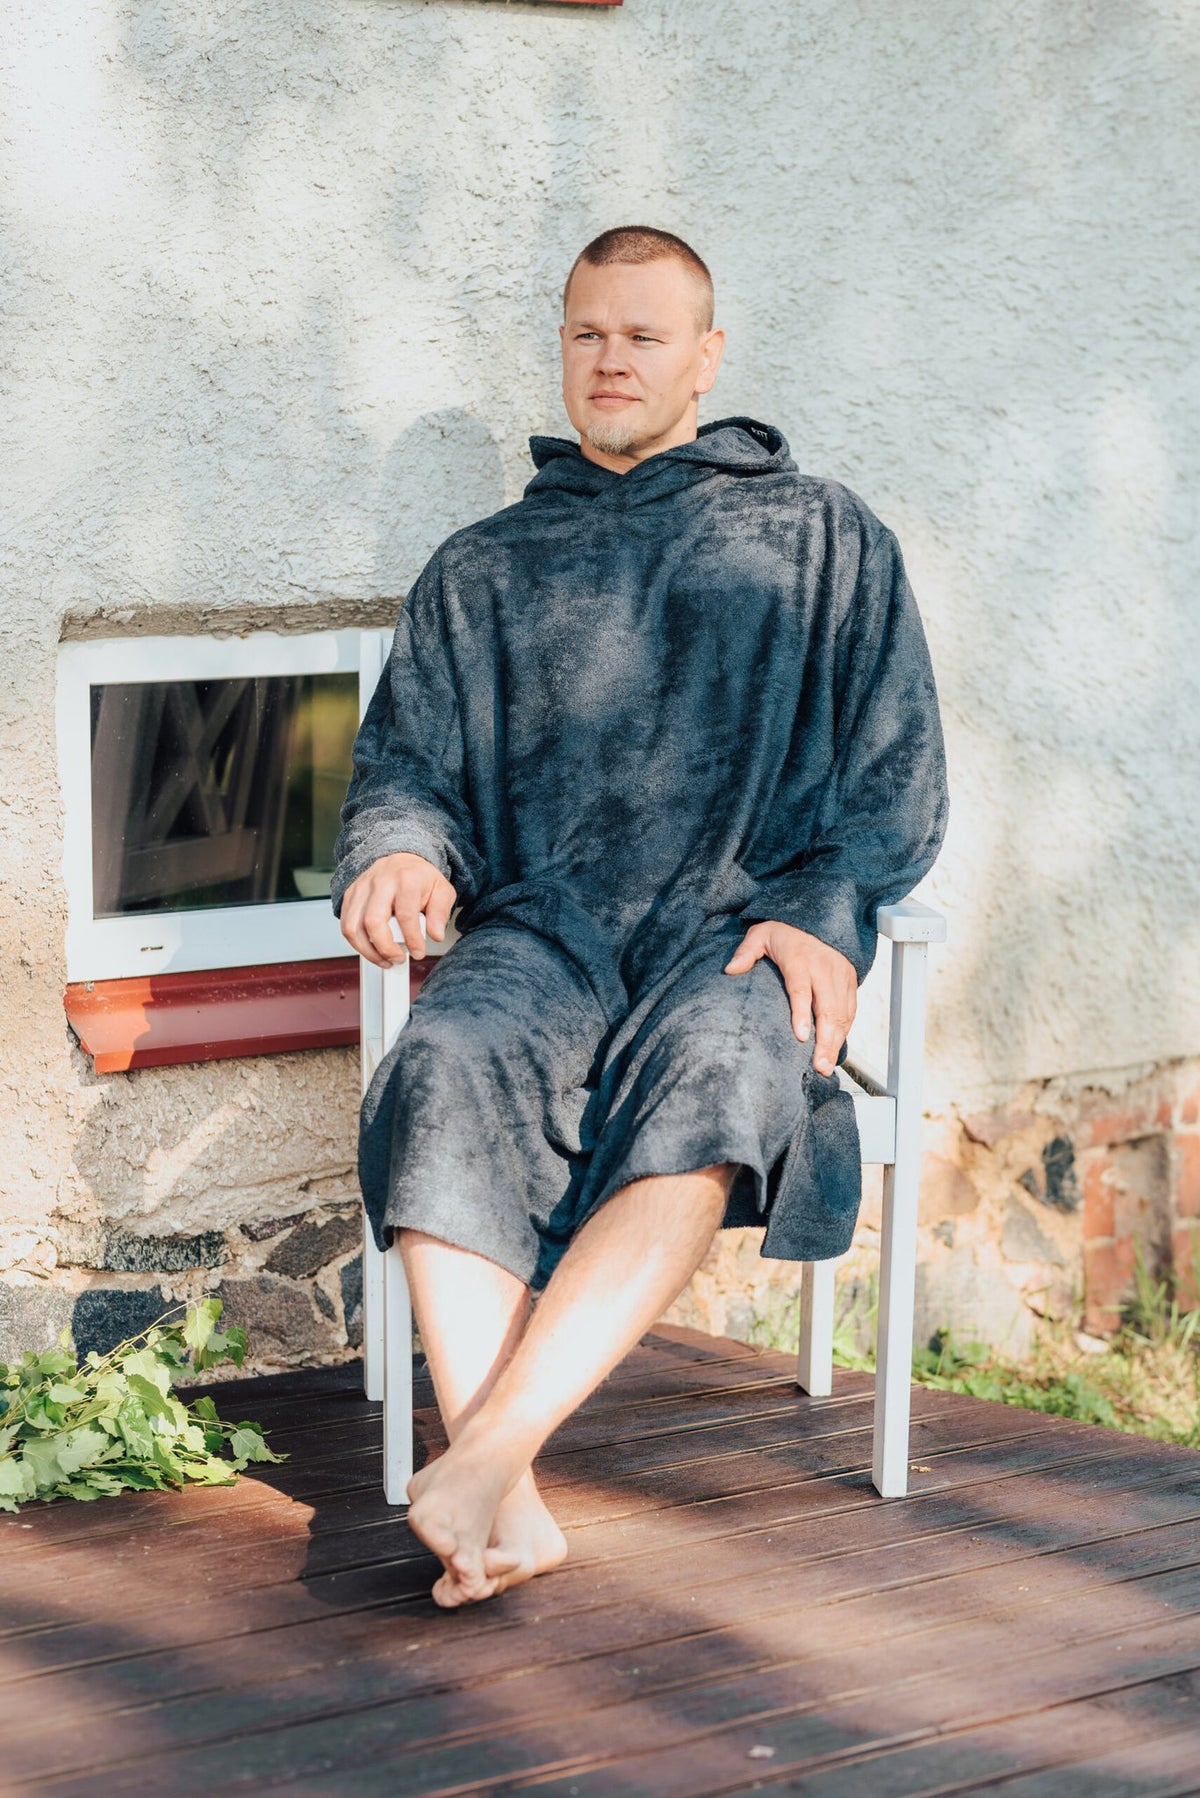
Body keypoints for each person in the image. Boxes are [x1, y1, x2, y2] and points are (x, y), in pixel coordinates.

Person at [333, 226, 949, 1609]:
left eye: (645, 335)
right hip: (539, 935)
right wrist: (400, 851)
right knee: (437, 1064)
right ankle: (508, 1483)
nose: (612, 359)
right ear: (563, 349)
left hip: (734, 934)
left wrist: (825, 904)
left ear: (707, 356)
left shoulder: (825, 539)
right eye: (588, 334)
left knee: (728, 1067)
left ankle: (483, 1455)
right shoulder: (481, 569)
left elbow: (896, 772)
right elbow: (407, 772)